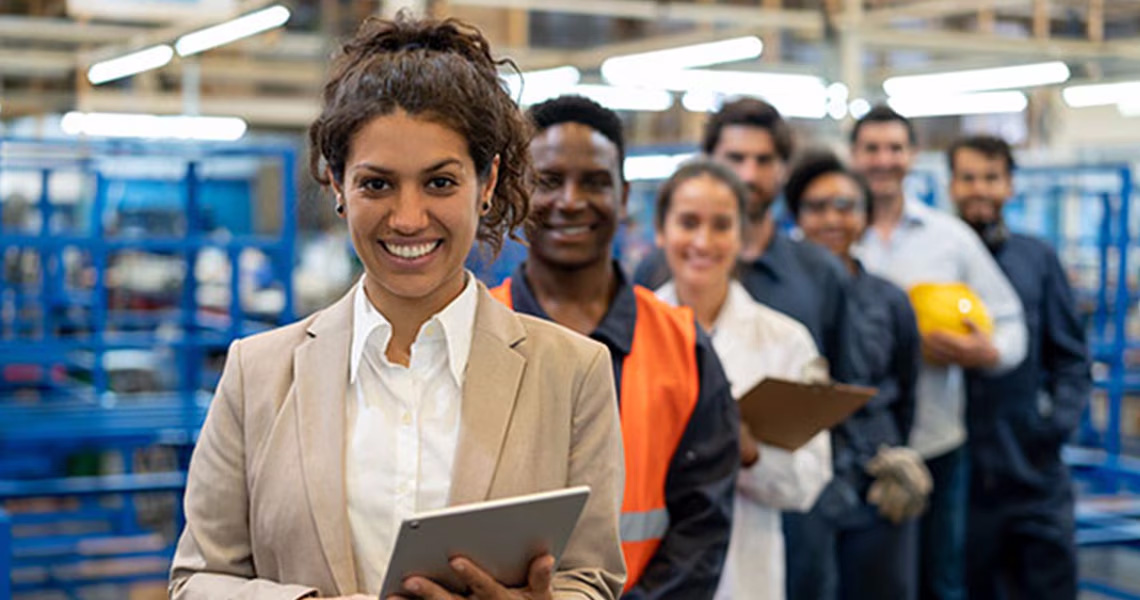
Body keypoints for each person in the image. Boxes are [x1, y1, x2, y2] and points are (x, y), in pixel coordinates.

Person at [169, 16, 626, 600]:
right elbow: (196, 580)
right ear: (336, 184)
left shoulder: (572, 373)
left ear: (487, 184)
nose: (408, 218)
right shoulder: (257, 374)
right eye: (377, 185)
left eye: (440, 183)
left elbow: (591, 577)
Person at [489, 95, 739, 600]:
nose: (571, 200)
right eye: (549, 180)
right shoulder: (475, 332)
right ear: (516, 191)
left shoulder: (684, 346)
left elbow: (702, 526)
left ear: (624, 197)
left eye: (595, 182)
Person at [850, 105, 1028, 600]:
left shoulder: (950, 240)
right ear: (854, 156)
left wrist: (985, 353)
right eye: (872, 148)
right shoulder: (831, 233)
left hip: (938, 442)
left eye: (894, 148)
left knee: (940, 580)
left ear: (912, 155)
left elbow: (1011, 322)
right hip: (854, 447)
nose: (883, 160)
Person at [651, 158, 832, 600]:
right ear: (660, 230)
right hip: (645, 573)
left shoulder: (785, 342)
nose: (702, 241)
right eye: (688, 222)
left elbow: (809, 481)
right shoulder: (628, 336)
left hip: (745, 576)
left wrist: (749, 454)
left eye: (721, 225)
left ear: (742, 236)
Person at [947, 135, 1089, 600]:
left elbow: (1070, 357)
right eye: (968, 178)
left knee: (1049, 585)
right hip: (960, 474)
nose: (979, 189)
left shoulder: (1037, 260)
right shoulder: (937, 259)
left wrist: (1053, 427)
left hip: (1032, 469)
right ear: (951, 185)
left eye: (991, 178)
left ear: (1010, 187)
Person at [783, 149, 927, 600]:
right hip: (797, 482)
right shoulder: (775, 298)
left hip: (875, 478)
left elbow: (907, 387)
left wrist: (893, 450)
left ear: (865, 217)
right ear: (796, 216)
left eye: (845, 206)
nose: (832, 219)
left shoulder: (889, 300)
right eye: (816, 206)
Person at [633, 98, 851, 378]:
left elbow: (840, 387)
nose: (749, 174)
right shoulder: (654, 271)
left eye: (764, 160)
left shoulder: (820, 274)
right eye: (736, 158)